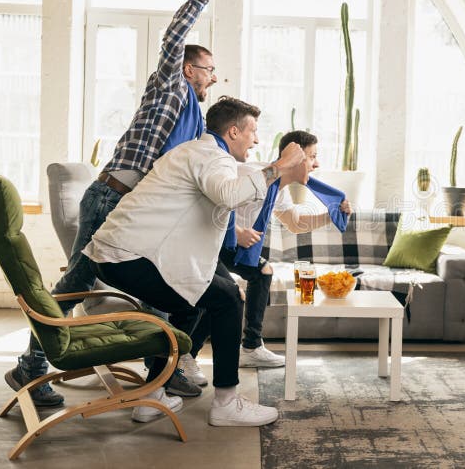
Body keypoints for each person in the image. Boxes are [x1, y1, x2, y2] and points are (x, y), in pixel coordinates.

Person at [4, 0, 228, 407]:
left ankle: (158, 373)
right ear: (188, 68)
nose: (213, 79)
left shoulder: (197, 124)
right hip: (110, 198)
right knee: (76, 282)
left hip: (136, 210)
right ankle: (31, 364)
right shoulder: (170, 88)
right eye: (209, 70)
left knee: (159, 283)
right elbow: (173, 36)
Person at [84, 96, 306, 426]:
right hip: (130, 256)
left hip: (118, 255)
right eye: (253, 131)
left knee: (190, 304)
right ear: (233, 131)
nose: (256, 139)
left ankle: (152, 395)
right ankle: (226, 403)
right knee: (228, 299)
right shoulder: (212, 157)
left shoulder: (195, 152)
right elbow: (229, 195)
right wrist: (280, 166)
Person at [182, 130, 352, 375]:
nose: (317, 164)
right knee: (228, 294)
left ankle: (251, 346)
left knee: (263, 271)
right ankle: (188, 356)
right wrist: (237, 230)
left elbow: (295, 223)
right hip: (208, 241)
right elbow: (208, 198)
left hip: (227, 245)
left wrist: (332, 216)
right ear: (296, 156)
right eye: (312, 157)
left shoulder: (279, 188)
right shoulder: (252, 174)